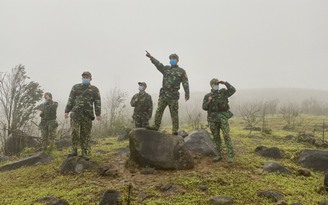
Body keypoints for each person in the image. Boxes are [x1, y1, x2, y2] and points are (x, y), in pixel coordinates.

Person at [145, 51, 189, 135]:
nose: (172, 60)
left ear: (177, 60)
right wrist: (151, 57)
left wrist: (187, 93)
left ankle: (175, 130)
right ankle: (155, 126)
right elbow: (159, 64)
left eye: (174, 59)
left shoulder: (181, 71)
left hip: (173, 96)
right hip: (164, 94)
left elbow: (185, 82)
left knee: (174, 113)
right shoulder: (166, 69)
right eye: (171, 59)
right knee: (159, 111)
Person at [64, 71, 101, 159]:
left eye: (87, 77)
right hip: (76, 113)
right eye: (84, 77)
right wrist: (67, 111)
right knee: (75, 132)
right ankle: (74, 150)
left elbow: (97, 102)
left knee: (85, 133)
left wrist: (98, 114)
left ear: (90, 79)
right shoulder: (75, 87)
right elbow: (70, 99)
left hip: (87, 115)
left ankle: (84, 151)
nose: (85, 79)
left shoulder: (94, 89)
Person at [202, 78, 236, 163]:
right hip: (213, 119)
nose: (216, 86)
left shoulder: (223, 92)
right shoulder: (207, 96)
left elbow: (233, 90)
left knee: (226, 135)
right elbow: (204, 107)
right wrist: (209, 101)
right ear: (211, 85)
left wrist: (225, 83)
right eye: (214, 84)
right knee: (216, 137)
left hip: (223, 117)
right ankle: (218, 155)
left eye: (217, 84)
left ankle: (230, 155)